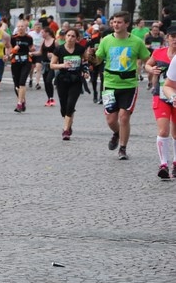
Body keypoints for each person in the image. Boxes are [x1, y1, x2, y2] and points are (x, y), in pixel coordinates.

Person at [95, 11, 151, 160]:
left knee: (124, 117)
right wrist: (90, 58)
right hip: (109, 85)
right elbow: (98, 60)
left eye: (119, 22)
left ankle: (122, 148)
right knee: (111, 120)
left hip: (129, 85)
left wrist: (151, 69)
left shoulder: (136, 42)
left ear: (127, 24)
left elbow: (148, 60)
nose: (115, 24)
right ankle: (117, 133)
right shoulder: (106, 40)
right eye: (114, 22)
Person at [144, 25, 176, 179]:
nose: (175, 39)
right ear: (167, 38)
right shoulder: (159, 52)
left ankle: (175, 162)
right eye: (173, 36)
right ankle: (163, 164)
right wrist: (151, 70)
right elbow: (147, 64)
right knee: (163, 130)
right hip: (161, 95)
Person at [50, 28, 89, 140]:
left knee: (71, 104)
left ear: (77, 38)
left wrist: (85, 71)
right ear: (65, 37)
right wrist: (62, 65)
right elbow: (52, 65)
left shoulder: (81, 49)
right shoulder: (59, 49)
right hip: (63, 79)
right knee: (64, 107)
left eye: (73, 36)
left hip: (76, 80)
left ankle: (66, 130)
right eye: (68, 35)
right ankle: (69, 122)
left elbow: (85, 61)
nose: (70, 38)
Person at [10, 20, 34, 113]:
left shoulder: (29, 38)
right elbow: (9, 50)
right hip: (15, 61)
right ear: (17, 28)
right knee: (16, 85)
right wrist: (14, 50)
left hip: (26, 62)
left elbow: (31, 47)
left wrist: (32, 50)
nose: (20, 28)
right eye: (19, 26)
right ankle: (22, 100)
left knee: (22, 82)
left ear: (26, 28)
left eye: (22, 26)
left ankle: (19, 103)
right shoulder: (13, 38)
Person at [41, 27, 58, 107]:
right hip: (44, 64)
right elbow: (40, 52)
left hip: (52, 64)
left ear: (47, 33)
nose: (42, 34)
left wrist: (53, 55)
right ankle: (48, 98)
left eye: (43, 32)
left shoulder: (55, 41)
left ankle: (51, 98)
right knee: (45, 82)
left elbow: (59, 52)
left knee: (48, 80)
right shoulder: (43, 41)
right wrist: (31, 53)